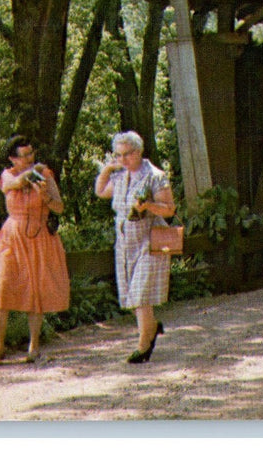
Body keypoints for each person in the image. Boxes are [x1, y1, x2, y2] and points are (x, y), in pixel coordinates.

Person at [94, 131, 177, 364]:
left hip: (150, 240)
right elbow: (100, 192)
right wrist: (106, 170)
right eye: (118, 155)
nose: (123, 159)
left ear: (138, 152)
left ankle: (144, 344)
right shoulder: (120, 176)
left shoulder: (155, 176)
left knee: (140, 294)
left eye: (127, 154)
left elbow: (169, 209)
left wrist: (148, 205)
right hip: (125, 242)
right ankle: (151, 326)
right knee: (131, 296)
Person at [0, 135, 70, 364]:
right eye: (24, 155)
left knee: (36, 290)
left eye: (32, 153)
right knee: (3, 287)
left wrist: (45, 195)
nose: (30, 159)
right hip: (12, 235)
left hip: (39, 234)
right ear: (12, 159)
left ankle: (33, 346)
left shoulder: (45, 174)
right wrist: (31, 175)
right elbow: (13, 184)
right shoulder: (8, 175)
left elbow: (59, 207)